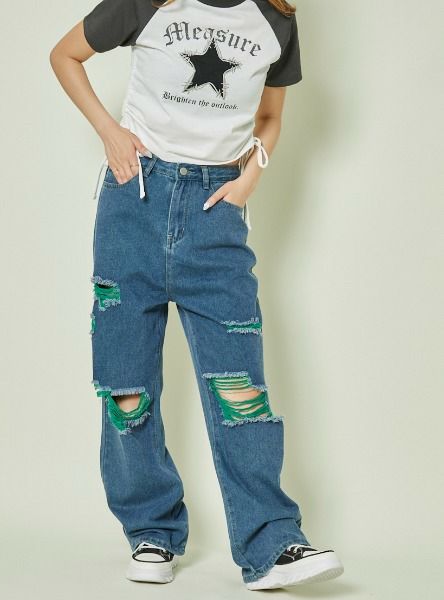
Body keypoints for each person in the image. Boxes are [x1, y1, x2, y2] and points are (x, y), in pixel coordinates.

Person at [50, 0, 344, 590]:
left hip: (216, 213)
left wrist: (249, 179)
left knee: (241, 390)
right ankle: (151, 531)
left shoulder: (275, 18)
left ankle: (271, 543)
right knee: (126, 386)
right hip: (134, 201)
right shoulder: (150, 3)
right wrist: (110, 132)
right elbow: (65, 55)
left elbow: (271, 116)